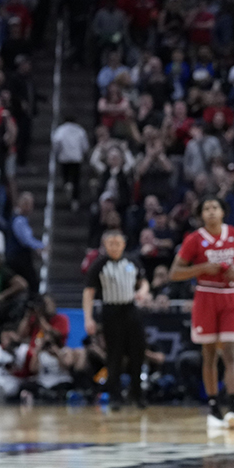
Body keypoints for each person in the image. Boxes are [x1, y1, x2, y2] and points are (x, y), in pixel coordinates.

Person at [170, 198, 234, 430]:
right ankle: (213, 405)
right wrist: (200, 269)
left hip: (230, 296)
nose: (210, 212)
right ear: (201, 215)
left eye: (214, 208)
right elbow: (175, 272)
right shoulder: (194, 239)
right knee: (208, 354)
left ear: (222, 212)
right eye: (206, 209)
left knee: (230, 352)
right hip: (205, 295)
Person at [83, 230, 149, 410]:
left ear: (123, 244)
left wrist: (143, 291)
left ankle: (137, 394)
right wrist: (88, 318)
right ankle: (115, 396)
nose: (114, 246)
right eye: (110, 243)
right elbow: (88, 292)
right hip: (110, 311)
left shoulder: (132, 261)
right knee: (114, 356)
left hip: (131, 309)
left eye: (117, 243)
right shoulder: (99, 265)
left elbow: (143, 282)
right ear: (105, 245)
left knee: (138, 353)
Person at [52, 114, 90, 210]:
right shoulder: (80, 130)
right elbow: (85, 145)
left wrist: (57, 153)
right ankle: (75, 200)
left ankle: (67, 183)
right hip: (76, 158)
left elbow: (56, 142)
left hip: (64, 157)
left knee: (66, 174)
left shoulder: (61, 130)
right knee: (76, 179)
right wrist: (84, 153)